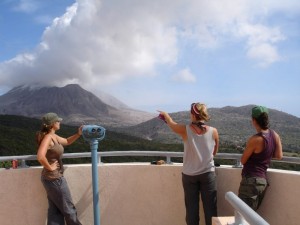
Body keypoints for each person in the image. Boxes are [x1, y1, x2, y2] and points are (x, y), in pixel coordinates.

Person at [158, 102, 219, 225]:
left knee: (191, 211)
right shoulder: (214, 131)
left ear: (193, 114)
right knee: (211, 210)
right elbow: (214, 152)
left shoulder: (185, 130)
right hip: (208, 175)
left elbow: (172, 124)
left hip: (189, 175)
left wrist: (165, 115)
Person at [36, 112, 83, 225]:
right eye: (58, 121)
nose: (59, 122)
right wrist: (50, 167)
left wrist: (78, 134)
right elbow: (40, 156)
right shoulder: (48, 138)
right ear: (52, 124)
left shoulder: (53, 136)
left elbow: (67, 141)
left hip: (51, 179)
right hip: (54, 179)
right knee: (69, 209)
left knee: (55, 211)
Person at [238, 105, 283, 211]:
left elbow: (243, 160)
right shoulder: (274, 135)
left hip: (251, 181)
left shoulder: (255, 139)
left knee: (243, 215)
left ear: (254, 120)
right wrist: (265, 154)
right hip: (262, 181)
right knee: (251, 216)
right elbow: (279, 156)